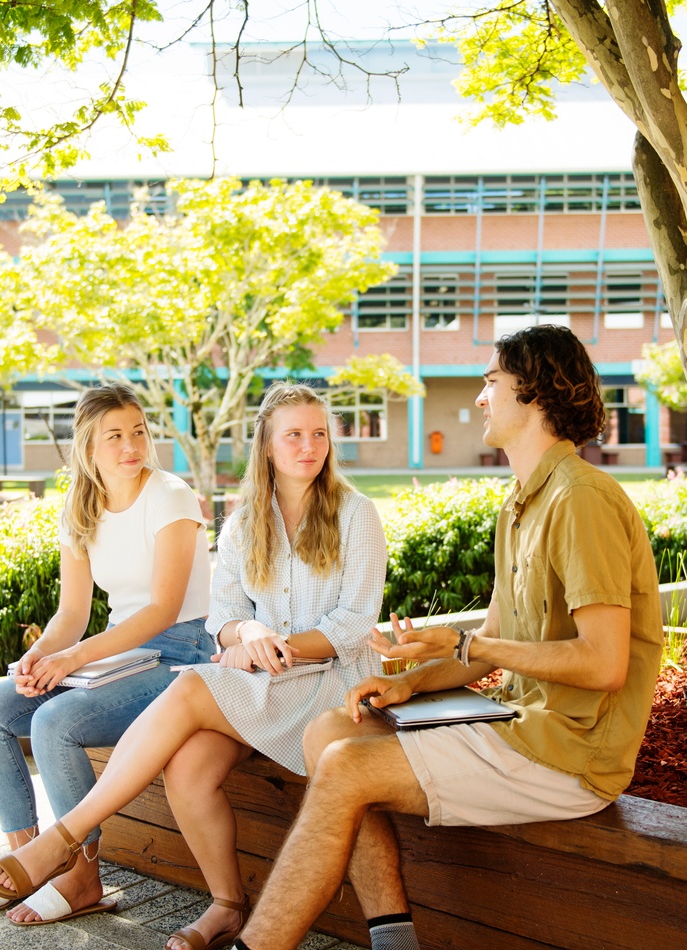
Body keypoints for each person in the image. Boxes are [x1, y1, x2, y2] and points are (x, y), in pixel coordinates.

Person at [231, 324, 664, 950]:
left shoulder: (580, 501)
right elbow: (490, 637)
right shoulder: (520, 502)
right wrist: (406, 681)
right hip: (518, 719)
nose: (481, 397)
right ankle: (395, 940)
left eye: (491, 382)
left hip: (572, 752)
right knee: (329, 729)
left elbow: (603, 665)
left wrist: (466, 650)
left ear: (535, 393)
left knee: (348, 767)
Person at [0, 381, 388, 950]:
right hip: (263, 681)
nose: (308, 447)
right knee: (188, 770)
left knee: (192, 683)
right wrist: (246, 633)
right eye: (293, 435)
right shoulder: (245, 522)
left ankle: (62, 841)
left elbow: (353, 623)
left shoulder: (356, 514)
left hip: (329, 685)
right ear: (267, 446)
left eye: (319, 434)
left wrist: (271, 644)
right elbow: (226, 613)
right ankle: (226, 907)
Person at [0, 381, 214, 925]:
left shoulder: (169, 495)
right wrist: (40, 658)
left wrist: (72, 660)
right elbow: (72, 615)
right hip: (121, 650)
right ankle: (26, 857)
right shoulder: (80, 507)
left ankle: (83, 873)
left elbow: (164, 610)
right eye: (115, 436)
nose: (131, 446)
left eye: (139, 432)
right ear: (87, 445)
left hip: (185, 651)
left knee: (57, 720)